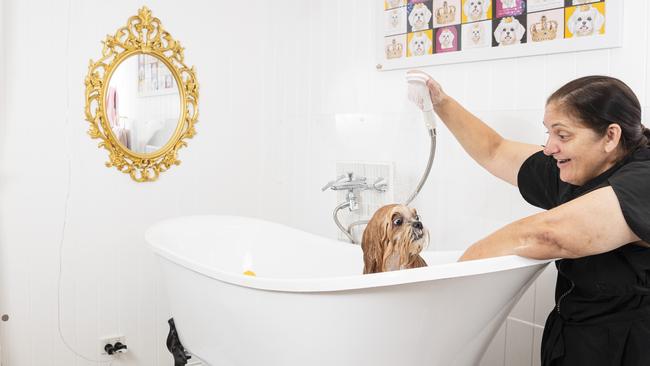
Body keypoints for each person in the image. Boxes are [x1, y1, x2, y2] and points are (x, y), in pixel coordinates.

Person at [410, 70, 650, 365]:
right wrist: (440, 101)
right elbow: (494, 151)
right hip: (572, 338)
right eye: (548, 133)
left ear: (610, 136)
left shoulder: (644, 179)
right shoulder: (577, 169)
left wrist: (449, 287)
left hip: (627, 347)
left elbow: (546, 234)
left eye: (563, 135)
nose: (549, 147)